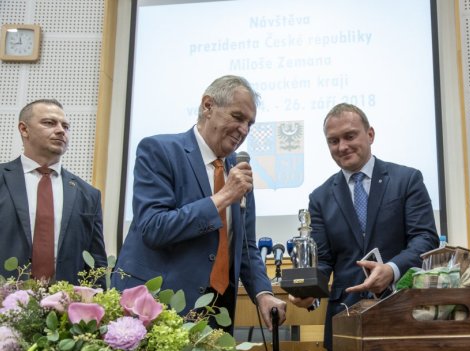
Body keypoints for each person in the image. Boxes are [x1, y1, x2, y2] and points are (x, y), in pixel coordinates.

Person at [113, 75, 286, 330]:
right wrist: (224, 196)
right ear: (208, 106)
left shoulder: (237, 173)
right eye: (238, 117)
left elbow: (246, 247)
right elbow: (153, 227)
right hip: (155, 308)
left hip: (217, 314)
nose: (244, 130)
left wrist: (263, 293)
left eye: (250, 123)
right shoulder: (159, 150)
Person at [290, 103, 439, 351]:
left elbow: (425, 239)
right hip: (344, 321)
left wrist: (392, 270)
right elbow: (323, 261)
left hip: (403, 313)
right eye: (333, 141)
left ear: (370, 134)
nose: (342, 146)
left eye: (350, 136)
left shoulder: (407, 180)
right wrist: (309, 293)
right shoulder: (320, 197)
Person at [0, 99, 107, 284]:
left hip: (64, 307)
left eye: (65, 126)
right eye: (49, 123)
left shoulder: (88, 194)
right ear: (24, 129)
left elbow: (96, 264)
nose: (60, 130)